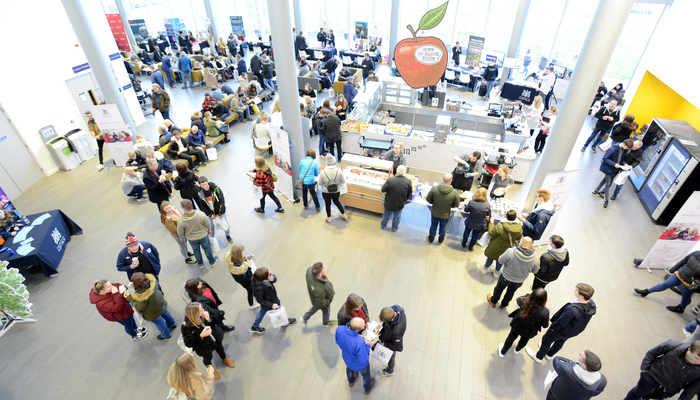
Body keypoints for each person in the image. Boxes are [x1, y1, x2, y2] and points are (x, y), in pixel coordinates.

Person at [526, 283, 596, 363]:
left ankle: (539, 357)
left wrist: (552, 328)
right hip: (572, 331)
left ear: (581, 296)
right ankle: (549, 355)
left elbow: (561, 322)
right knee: (560, 342)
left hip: (560, 330)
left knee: (546, 340)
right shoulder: (591, 305)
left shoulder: (571, 310)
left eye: (577, 290)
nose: (574, 290)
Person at [624, 340, 700, 400]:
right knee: (637, 392)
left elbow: (694, 387)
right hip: (653, 376)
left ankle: (644, 397)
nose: (698, 362)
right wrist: (645, 370)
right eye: (696, 358)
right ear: (689, 349)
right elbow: (652, 353)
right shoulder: (674, 346)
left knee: (652, 395)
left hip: (669, 389)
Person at [181, 303, 236, 380]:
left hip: (215, 337)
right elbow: (188, 343)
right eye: (200, 310)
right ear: (194, 314)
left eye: (202, 308)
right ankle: (210, 368)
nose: (203, 310)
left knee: (220, 348)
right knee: (207, 358)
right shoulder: (186, 326)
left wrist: (209, 319)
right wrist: (200, 336)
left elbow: (217, 318)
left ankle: (224, 358)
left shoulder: (204, 308)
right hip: (203, 347)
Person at [635, 250, 700, 313]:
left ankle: (681, 308)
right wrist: (673, 269)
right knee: (665, 284)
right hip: (680, 274)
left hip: (690, 282)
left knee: (685, 296)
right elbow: (683, 261)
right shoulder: (696, 253)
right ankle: (646, 291)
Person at [487, 237, 540, 309]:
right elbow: (535, 271)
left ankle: (493, 302)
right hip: (519, 281)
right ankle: (504, 305)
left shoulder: (510, 252)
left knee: (499, 289)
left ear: (521, 243)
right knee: (510, 293)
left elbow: (500, 261)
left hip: (506, 277)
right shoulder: (536, 258)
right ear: (531, 246)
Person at [124, 272, 176, 340]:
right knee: (165, 313)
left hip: (151, 311)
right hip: (159, 302)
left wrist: (130, 298)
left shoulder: (141, 296)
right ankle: (172, 324)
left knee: (159, 322)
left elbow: (139, 307)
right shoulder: (152, 281)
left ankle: (166, 334)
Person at [498, 289, 548, 357]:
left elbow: (518, 299)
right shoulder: (544, 312)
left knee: (511, 337)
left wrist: (528, 295)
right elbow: (545, 325)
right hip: (530, 330)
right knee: (524, 340)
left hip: (518, 323)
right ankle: (517, 350)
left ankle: (502, 352)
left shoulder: (524, 300)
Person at [250, 267, 297, 334]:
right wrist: (272, 305)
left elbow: (273, 279)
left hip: (270, 300)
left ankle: (255, 326)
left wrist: (272, 278)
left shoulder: (260, 279)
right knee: (279, 311)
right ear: (264, 278)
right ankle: (284, 322)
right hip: (270, 303)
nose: (271, 273)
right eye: (268, 274)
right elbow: (260, 300)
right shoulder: (259, 288)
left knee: (261, 313)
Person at [336, 317, 376, 394]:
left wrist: (356, 336)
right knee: (366, 376)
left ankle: (351, 381)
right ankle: (367, 388)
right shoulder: (359, 342)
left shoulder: (339, 329)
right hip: (360, 365)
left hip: (347, 358)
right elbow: (363, 359)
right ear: (357, 330)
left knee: (349, 369)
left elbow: (338, 341)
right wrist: (368, 345)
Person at [177, 199, 220, 269]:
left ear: (184, 209)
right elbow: (207, 223)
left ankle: (200, 264)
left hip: (192, 239)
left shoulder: (181, 220)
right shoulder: (201, 214)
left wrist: (181, 238)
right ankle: (212, 261)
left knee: (196, 251)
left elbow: (180, 231)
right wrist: (209, 230)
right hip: (203, 236)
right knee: (207, 248)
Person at [482, 209, 524, 278]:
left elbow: (491, 233)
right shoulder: (519, 227)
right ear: (516, 217)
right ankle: (496, 273)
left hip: (496, 246)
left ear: (506, 216)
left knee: (490, 257)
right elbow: (519, 238)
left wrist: (491, 223)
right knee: (500, 260)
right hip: (507, 248)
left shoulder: (501, 226)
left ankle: (485, 269)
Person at [592, 139, 633, 208]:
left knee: (605, 180)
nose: (627, 149)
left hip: (613, 169)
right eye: (627, 147)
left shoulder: (623, 149)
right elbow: (605, 158)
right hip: (608, 168)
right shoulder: (613, 149)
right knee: (608, 184)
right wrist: (614, 164)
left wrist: (625, 164)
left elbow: (621, 159)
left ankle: (595, 191)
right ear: (624, 144)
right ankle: (606, 201)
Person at [196, 176, 232, 244]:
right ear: (200, 185)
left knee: (225, 224)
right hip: (210, 212)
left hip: (219, 211)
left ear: (207, 182)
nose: (204, 186)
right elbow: (202, 205)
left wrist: (220, 213)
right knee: (210, 226)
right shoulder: (200, 192)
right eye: (202, 185)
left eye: (205, 184)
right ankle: (212, 237)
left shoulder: (216, 189)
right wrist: (209, 214)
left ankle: (228, 235)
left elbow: (222, 201)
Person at [426, 173, 460, 245]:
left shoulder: (434, 189)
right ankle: (440, 241)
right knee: (443, 227)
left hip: (435, 213)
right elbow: (456, 205)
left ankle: (430, 240)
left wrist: (434, 202)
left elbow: (428, 199)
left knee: (433, 226)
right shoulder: (454, 192)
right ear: (451, 181)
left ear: (442, 179)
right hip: (445, 214)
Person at [160, 200, 195, 265]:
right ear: (163, 210)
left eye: (169, 207)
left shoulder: (174, 210)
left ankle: (187, 252)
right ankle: (186, 258)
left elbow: (181, 216)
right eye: (166, 209)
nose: (169, 209)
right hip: (178, 234)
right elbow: (175, 230)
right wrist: (184, 231)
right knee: (182, 246)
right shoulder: (167, 219)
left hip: (183, 230)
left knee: (185, 243)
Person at [225, 244, 260, 309]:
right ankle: (251, 305)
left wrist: (244, 258)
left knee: (253, 287)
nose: (243, 252)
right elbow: (248, 278)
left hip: (239, 278)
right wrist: (249, 266)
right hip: (245, 281)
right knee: (250, 291)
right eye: (242, 252)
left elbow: (238, 261)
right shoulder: (240, 269)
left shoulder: (230, 258)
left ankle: (255, 296)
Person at [376, 305, 407, 377]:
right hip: (389, 336)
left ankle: (390, 371)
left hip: (391, 343)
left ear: (392, 320)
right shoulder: (397, 308)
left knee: (390, 357)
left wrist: (385, 343)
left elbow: (399, 348)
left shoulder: (396, 332)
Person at [380, 165, 413, 232]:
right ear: (404, 173)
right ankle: (395, 228)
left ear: (397, 172)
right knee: (397, 216)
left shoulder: (390, 180)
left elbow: (383, 189)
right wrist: (404, 200)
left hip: (389, 202)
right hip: (400, 203)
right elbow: (410, 193)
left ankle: (383, 226)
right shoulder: (408, 181)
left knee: (386, 215)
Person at [303, 262, 336, 327]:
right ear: (320, 274)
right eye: (323, 268)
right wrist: (328, 301)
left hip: (315, 298)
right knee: (326, 311)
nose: (325, 267)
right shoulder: (321, 288)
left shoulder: (309, 270)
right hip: (322, 299)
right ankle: (326, 323)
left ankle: (306, 316)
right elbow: (322, 303)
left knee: (316, 306)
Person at [319, 154, 348, 223]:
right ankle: (344, 214)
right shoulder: (339, 171)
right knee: (337, 202)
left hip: (326, 192)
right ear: (334, 163)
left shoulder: (323, 172)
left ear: (326, 163)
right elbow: (343, 181)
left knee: (327, 204)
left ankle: (329, 218)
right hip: (336, 191)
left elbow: (320, 183)